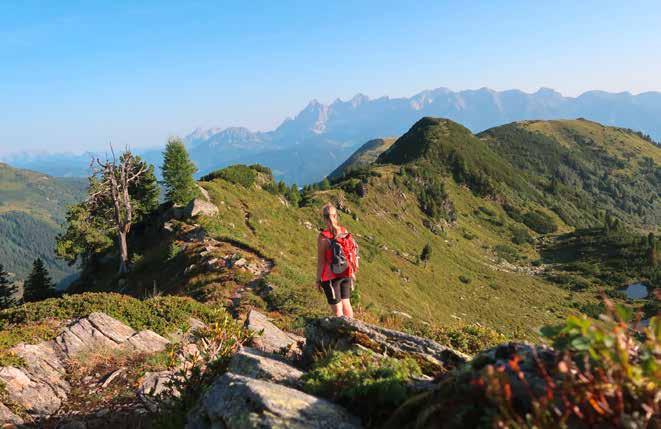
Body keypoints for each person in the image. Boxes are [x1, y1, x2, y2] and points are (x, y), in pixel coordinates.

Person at [316, 203, 358, 318]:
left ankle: (341, 332)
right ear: (336, 216)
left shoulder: (323, 237)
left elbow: (321, 262)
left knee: (338, 311)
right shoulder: (344, 231)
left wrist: (318, 280)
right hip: (346, 272)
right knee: (347, 304)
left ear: (324, 218)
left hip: (330, 277)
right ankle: (352, 331)